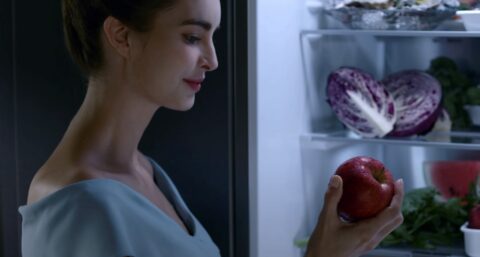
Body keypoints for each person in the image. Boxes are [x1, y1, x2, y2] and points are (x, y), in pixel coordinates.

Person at [19, 0, 405, 256]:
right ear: (121, 36)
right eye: (192, 37)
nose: (213, 60)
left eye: (212, 36)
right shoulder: (82, 207)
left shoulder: (145, 173)